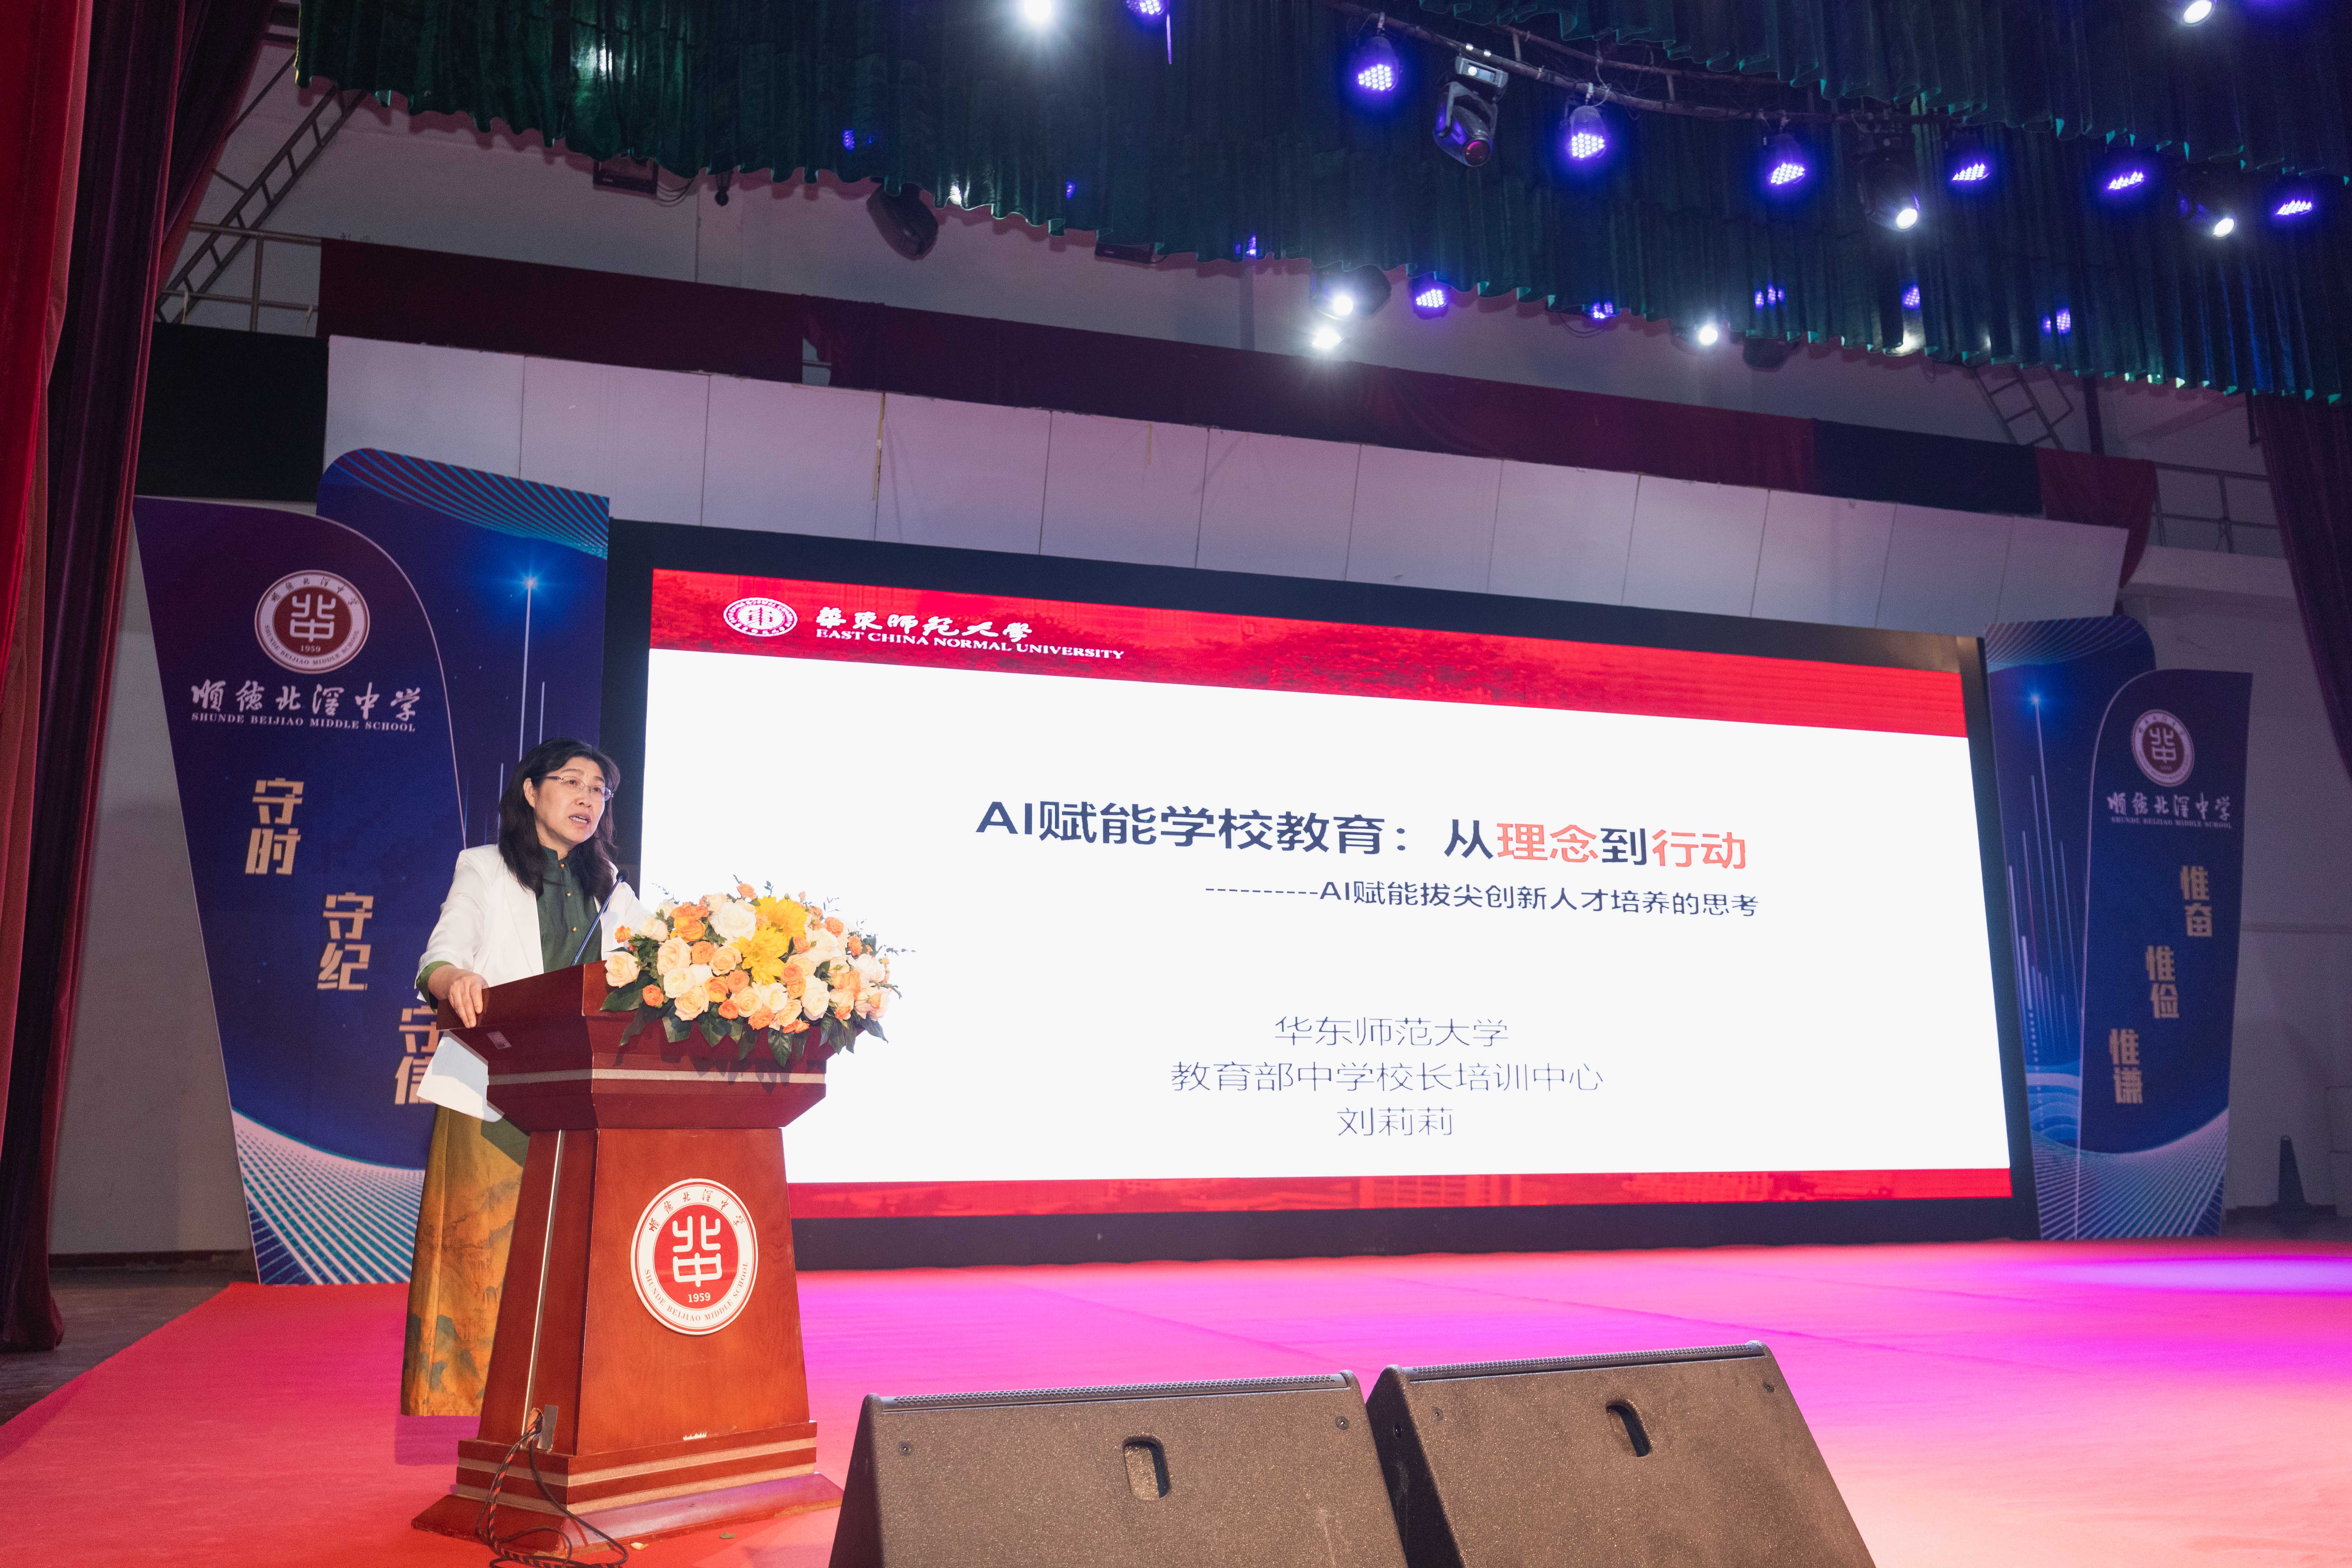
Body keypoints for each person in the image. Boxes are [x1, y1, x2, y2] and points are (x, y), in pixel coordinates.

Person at [400, 738, 648, 1417]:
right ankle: (481, 1404)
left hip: (583, 1097)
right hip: (494, 1089)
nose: (587, 798)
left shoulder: (615, 889)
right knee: (480, 1255)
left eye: (599, 789)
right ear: (532, 792)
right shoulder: (484, 867)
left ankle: (573, 1402)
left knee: (574, 1255)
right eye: (571, 782)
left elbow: (656, 969)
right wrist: (456, 978)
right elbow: (439, 957)